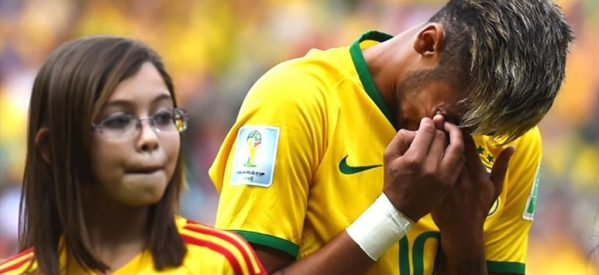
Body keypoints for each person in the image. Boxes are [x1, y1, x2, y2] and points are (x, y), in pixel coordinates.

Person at [209, 0, 573, 274]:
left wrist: (465, 242)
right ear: (428, 44)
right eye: (458, 117)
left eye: (484, 131)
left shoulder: (512, 144)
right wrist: (395, 212)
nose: (464, 142)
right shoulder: (294, 101)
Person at [0, 36, 266, 275]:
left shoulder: (222, 262)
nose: (150, 137)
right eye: (118, 120)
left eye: (163, 117)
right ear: (51, 147)